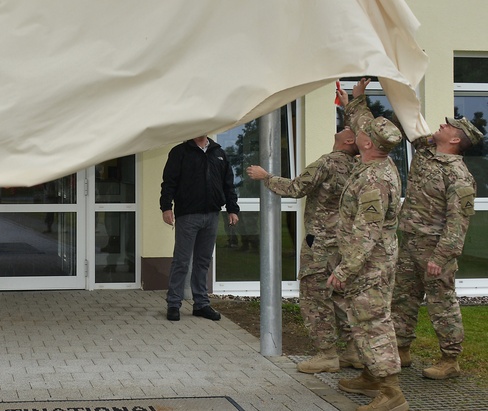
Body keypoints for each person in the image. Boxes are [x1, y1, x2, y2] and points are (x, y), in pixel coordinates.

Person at [248, 123, 361, 373]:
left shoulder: (328, 162)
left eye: (346, 128)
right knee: (342, 296)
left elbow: (297, 187)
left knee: (314, 297)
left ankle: (327, 354)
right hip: (345, 243)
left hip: (320, 243)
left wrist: (265, 176)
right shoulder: (358, 167)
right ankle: (354, 351)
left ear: (350, 140)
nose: (341, 128)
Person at [329, 80, 407, 410]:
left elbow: (367, 232)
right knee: (364, 319)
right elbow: (363, 121)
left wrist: (344, 271)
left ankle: (391, 393)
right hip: (371, 260)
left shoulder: (375, 179)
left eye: (363, 130)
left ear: (367, 143)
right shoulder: (378, 158)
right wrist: (357, 99)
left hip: (369, 263)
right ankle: (371, 377)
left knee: (374, 322)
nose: (357, 130)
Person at [392, 111, 482, 380]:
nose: (441, 124)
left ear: (455, 138)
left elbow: (458, 222)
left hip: (434, 248)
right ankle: (401, 349)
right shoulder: (427, 150)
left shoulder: (459, 177)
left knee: (441, 304)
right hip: (410, 241)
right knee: (402, 298)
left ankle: (450, 359)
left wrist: (441, 257)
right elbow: (406, 121)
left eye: (448, 125)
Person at [160, 135, 240, 322]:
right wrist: (166, 207)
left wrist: (232, 209)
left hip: (212, 215)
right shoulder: (180, 152)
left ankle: (201, 304)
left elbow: (228, 183)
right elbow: (169, 182)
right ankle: (173, 304)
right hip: (188, 215)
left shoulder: (219, 153)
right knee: (181, 261)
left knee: (203, 261)